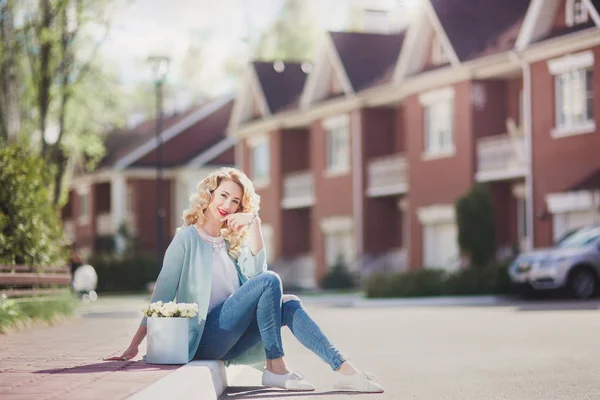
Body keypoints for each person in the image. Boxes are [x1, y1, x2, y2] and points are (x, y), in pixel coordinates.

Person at [106, 167, 383, 393]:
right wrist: (135, 344)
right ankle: (276, 367)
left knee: (288, 304)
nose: (228, 205)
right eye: (223, 196)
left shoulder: (230, 243)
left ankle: (343, 369)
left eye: (235, 201)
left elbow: (260, 280)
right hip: (202, 339)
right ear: (209, 195)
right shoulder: (186, 240)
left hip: (230, 339)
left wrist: (255, 225)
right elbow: (162, 294)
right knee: (271, 280)